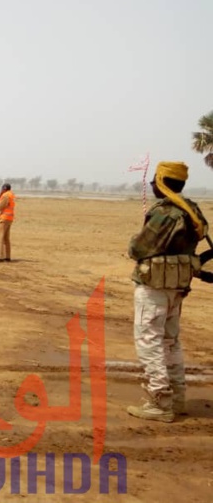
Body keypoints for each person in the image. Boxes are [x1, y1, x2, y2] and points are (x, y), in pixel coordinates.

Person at [126, 161, 209, 423]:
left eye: (155, 180)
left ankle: (160, 401)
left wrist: (132, 242)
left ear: (163, 182)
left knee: (149, 340)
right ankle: (178, 398)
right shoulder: (191, 210)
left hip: (155, 287)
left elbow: (138, 249)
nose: (152, 184)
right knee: (170, 341)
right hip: (178, 286)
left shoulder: (165, 213)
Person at [0, 183, 15, 262]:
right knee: (6, 238)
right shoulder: (11, 195)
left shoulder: (5, 195)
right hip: (9, 218)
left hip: (4, 218)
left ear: (4, 188)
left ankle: (0, 256)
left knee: (0, 237)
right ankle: (7, 256)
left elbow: (0, 206)